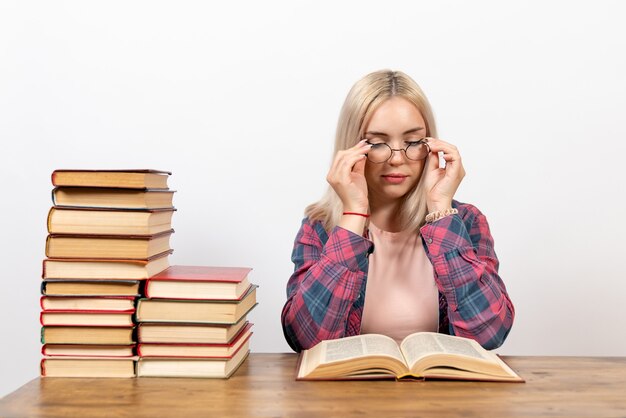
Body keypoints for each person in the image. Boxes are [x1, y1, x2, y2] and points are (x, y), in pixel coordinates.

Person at [281, 70, 514, 352]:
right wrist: (354, 215)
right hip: (349, 393)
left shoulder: (466, 222)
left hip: (443, 393)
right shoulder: (320, 227)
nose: (397, 159)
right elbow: (306, 341)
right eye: (377, 143)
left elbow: (489, 334)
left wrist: (440, 210)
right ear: (351, 147)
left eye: (413, 142)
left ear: (430, 145)